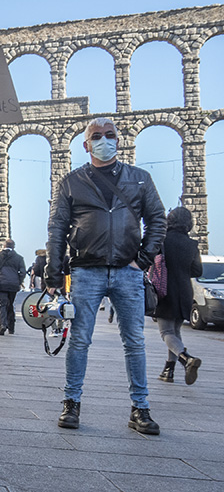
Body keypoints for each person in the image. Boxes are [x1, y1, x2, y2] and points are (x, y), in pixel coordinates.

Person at [45, 117, 167, 434]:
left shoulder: (140, 179)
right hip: (86, 270)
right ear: (86, 145)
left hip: (128, 271)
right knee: (80, 340)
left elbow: (157, 219)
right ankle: (71, 403)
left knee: (135, 342)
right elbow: (57, 228)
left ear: (118, 140)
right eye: (97, 136)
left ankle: (140, 409)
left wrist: (142, 259)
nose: (104, 140)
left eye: (109, 135)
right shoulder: (71, 181)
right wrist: (53, 273)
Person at [154, 206, 202, 385]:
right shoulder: (192, 244)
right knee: (175, 331)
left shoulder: (162, 240)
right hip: (185, 292)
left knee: (166, 332)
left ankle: (186, 359)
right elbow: (197, 270)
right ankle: (168, 371)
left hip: (165, 291)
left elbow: (151, 261)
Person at [0, 238, 26, 335]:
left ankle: (3, 324)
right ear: (14, 247)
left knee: (2, 304)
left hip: (1, 284)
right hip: (13, 284)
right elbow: (23, 272)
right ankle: (11, 327)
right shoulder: (19, 258)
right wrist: (19, 281)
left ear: (4, 246)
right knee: (11, 304)